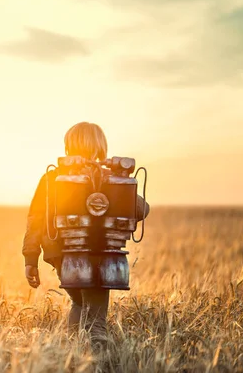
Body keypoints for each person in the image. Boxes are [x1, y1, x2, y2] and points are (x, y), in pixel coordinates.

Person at [22, 122, 150, 345]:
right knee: (96, 322)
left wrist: (30, 259)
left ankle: (73, 357)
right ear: (101, 147)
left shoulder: (53, 178)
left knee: (79, 304)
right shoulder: (110, 178)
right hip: (100, 254)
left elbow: (36, 219)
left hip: (61, 255)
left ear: (69, 147)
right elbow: (142, 209)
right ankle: (96, 361)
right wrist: (119, 183)